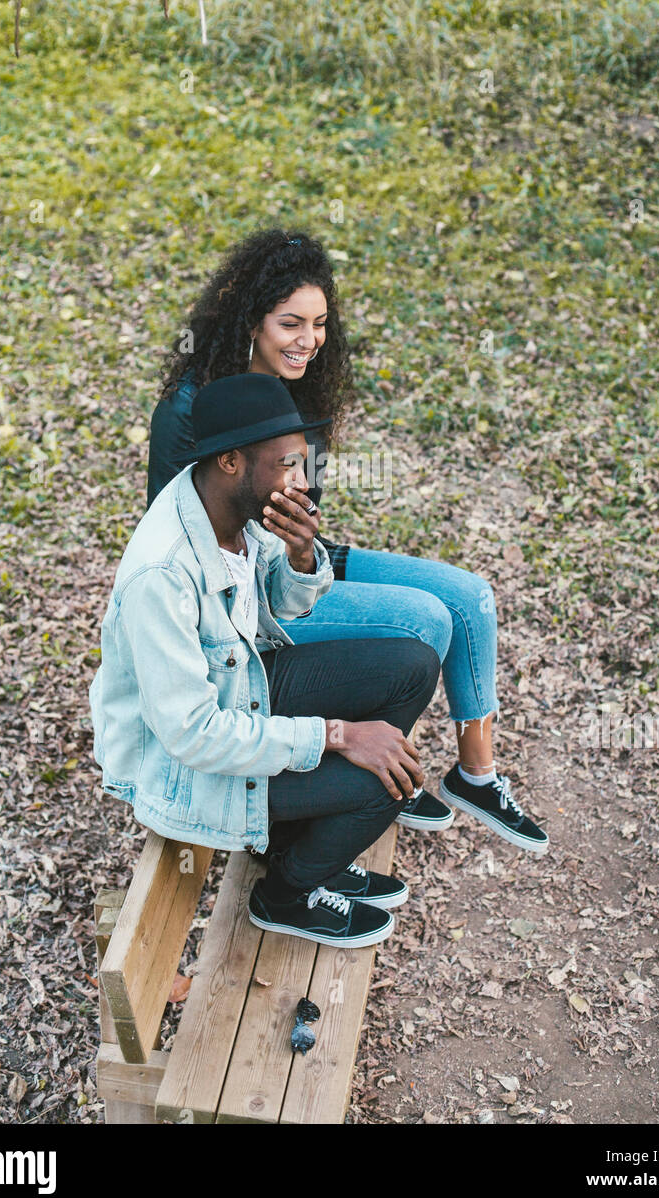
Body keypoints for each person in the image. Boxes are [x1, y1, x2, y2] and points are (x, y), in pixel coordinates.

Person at [147, 227, 548, 854]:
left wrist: (305, 550)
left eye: (319, 323)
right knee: (426, 623)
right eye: (290, 324)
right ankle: (369, 779)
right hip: (249, 594)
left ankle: (477, 776)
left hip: (300, 556)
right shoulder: (193, 409)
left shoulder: (301, 385)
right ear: (252, 321)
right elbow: (178, 529)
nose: (308, 341)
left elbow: (306, 505)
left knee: (470, 597)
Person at [89, 373, 442, 947]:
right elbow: (192, 734)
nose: (303, 482)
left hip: (242, 691)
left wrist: (303, 554)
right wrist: (337, 735)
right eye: (288, 465)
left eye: (303, 465)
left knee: (413, 666)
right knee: (386, 782)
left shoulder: (238, 508)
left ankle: (297, 841)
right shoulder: (163, 574)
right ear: (231, 461)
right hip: (187, 770)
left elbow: (275, 604)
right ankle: (288, 893)